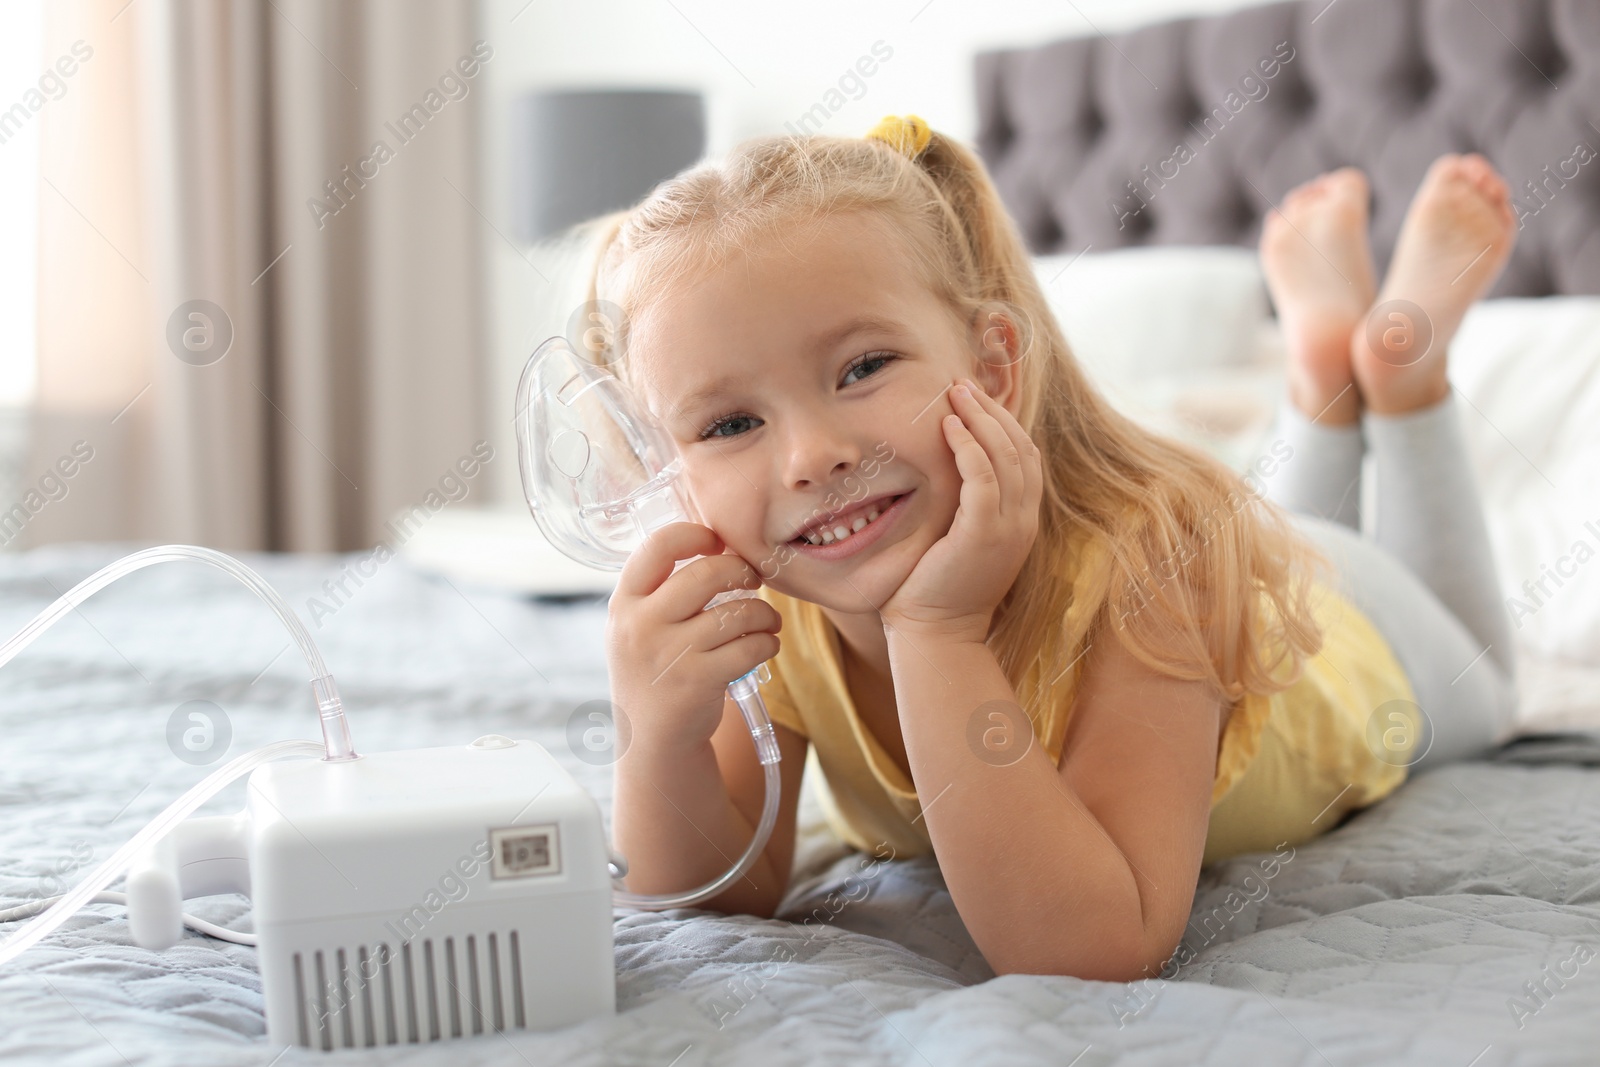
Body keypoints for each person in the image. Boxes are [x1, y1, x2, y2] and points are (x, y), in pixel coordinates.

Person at [586, 113, 1519, 981]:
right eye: (730, 423)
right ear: (668, 467)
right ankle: (1322, 371)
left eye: (863, 367)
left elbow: (1098, 941)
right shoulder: (777, 605)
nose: (812, 455)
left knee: (1495, 689)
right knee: (1281, 530)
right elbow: (720, 889)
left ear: (991, 366)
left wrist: (937, 632)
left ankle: (1403, 378)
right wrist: (658, 732)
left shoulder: (1156, 556)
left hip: (1364, 636)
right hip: (1268, 562)